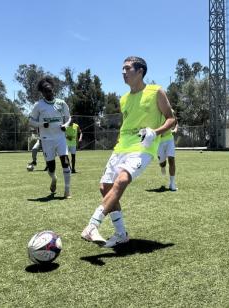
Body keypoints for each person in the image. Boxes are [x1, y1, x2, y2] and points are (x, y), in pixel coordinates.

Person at [81, 56, 175, 248]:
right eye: (122, 69)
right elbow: (127, 124)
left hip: (143, 147)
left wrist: (154, 132)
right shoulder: (124, 99)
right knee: (105, 188)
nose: (123, 72)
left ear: (140, 71)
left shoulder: (156, 91)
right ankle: (121, 234)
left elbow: (171, 119)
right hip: (121, 147)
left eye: (127, 68)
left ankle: (92, 225)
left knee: (122, 180)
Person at [28, 76, 72, 198]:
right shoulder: (38, 105)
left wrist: (66, 125)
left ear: (53, 89)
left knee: (65, 161)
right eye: (46, 91)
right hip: (46, 140)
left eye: (50, 90)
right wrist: (42, 124)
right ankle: (54, 179)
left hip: (60, 138)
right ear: (42, 92)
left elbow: (69, 118)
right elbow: (30, 122)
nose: (49, 93)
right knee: (51, 168)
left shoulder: (61, 103)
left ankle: (67, 190)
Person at [158, 112, 178, 191]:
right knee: (162, 163)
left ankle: (172, 183)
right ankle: (162, 166)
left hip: (169, 139)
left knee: (171, 160)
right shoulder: (155, 112)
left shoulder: (170, 111)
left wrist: (175, 129)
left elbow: (176, 121)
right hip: (159, 141)